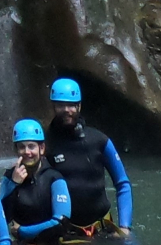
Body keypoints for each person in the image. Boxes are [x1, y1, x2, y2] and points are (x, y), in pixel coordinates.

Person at [44, 79, 132, 240]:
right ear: (53, 107)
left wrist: (125, 226)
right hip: (65, 233)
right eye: (60, 105)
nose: (66, 110)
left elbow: (122, 183)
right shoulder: (45, 145)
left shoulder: (99, 141)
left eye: (71, 105)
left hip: (103, 230)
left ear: (79, 106)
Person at [0, 119, 71, 242]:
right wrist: (14, 184)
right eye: (22, 147)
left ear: (41, 148)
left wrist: (23, 231)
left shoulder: (54, 178)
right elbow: (0, 219)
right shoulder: (9, 177)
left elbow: (61, 222)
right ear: (16, 150)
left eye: (31, 146)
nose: (27, 152)